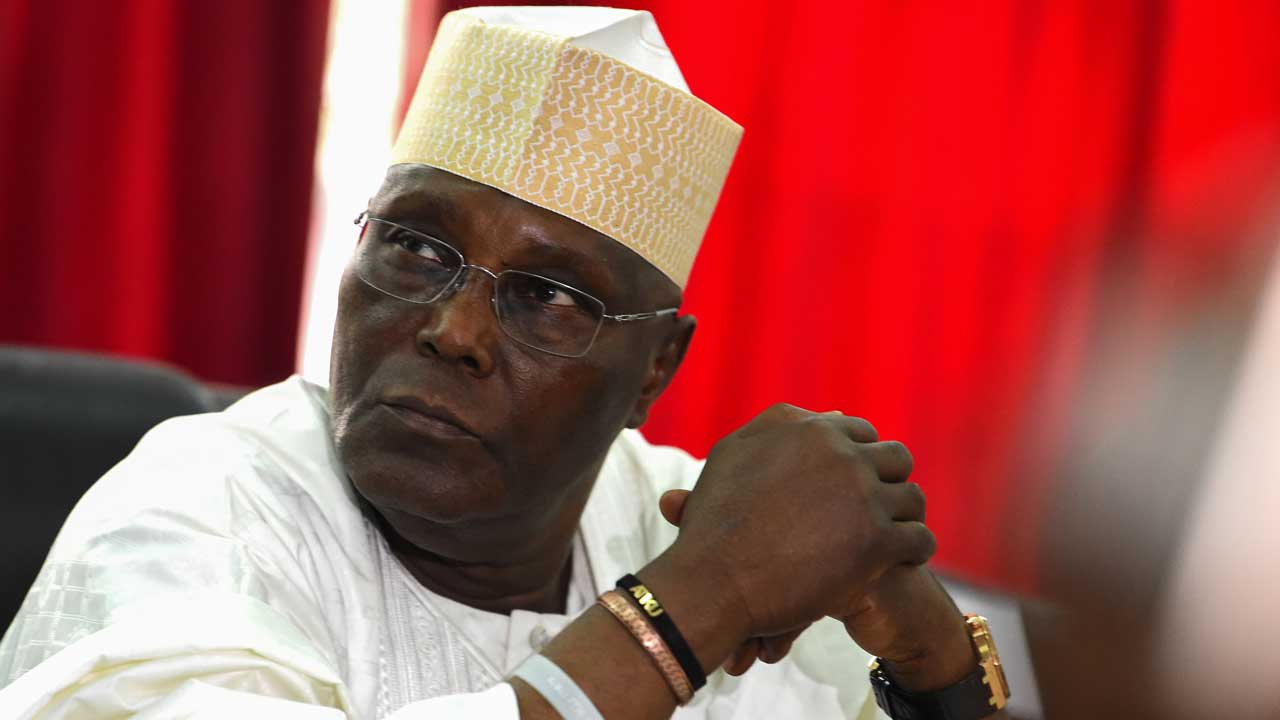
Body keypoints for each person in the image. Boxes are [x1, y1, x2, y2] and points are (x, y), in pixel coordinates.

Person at [0, 8, 1010, 719]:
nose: (454, 331)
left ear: (654, 370)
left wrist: (930, 662)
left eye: (550, 296)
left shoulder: (680, 515)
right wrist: (696, 606)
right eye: (414, 246)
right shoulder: (204, 506)